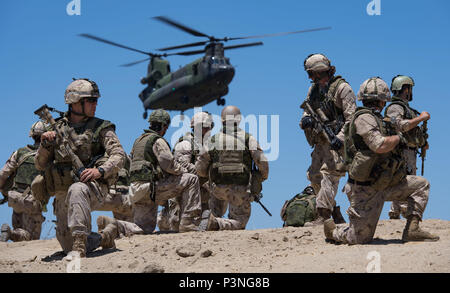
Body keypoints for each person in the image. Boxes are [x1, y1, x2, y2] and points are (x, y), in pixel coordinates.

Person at [324, 77, 439, 244]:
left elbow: (402, 125)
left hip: (387, 182)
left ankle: (412, 229)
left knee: (421, 185)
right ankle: (334, 231)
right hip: (366, 189)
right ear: (383, 100)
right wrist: (399, 139)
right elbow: (379, 145)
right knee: (358, 238)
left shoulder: (383, 120)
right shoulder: (363, 118)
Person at [35, 78, 126, 257]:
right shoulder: (58, 128)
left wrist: (99, 171)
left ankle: (79, 247)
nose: (96, 104)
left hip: (93, 187)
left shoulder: (101, 127)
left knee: (77, 189)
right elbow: (39, 164)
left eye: (96, 100)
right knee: (65, 243)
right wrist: (45, 144)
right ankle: (104, 237)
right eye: (91, 100)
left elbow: (119, 155)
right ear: (75, 102)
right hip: (63, 192)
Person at [125, 109, 205, 234]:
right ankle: (189, 224)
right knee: (191, 179)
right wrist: (183, 171)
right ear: (164, 126)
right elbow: (170, 165)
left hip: (136, 190)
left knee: (143, 229)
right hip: (151, 189)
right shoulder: (157, 140)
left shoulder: (138, 141)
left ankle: (115, 226)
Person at [299, 53, 357, 225]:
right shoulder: (314, 90)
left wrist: (340, 138)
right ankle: (335, 213)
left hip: (338, 142)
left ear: (328, 71)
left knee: (329, 175)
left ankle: (323, 215)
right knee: (314, 176)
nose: (316, 78)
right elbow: (308, 109)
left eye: (319, 74)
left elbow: (352, 119)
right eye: (312, 75)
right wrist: (305, 120)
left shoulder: (343, 88)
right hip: (320, 141)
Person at [195, 105, 269, 230]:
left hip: (217, 189)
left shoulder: (212, 140)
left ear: (222, 121)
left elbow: (200, 168)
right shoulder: (248, 139)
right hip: (240, 189)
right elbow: (262, 162)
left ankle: (212, 221)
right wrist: (261, 177)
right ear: (239, 120)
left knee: (214, 213)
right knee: (239, 223)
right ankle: (216, 223)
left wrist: (209, 176)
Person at [157, 111, 215, 232]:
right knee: (175, 226)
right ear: (197, 128)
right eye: (205, 128)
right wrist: (202, 172)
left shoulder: (206, 145)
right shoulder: (185, 144)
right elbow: (182, 167)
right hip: (181, 192)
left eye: (210, 127)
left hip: (198, 191)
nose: (209, 130)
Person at [385, 75, 428, 219]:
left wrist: (422, 142)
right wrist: (421, 118)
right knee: (406, 180)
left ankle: (397, 211)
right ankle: (399, 212)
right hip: (401, 151)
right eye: (409, 88)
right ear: (406, 89)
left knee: (405, 179)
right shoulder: (395, 107)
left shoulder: (404, 107)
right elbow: (400, 126)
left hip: (409, 150)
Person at [0, 121, 46, 242]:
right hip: (33, 201)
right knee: (31, 238)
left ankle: (10, 232)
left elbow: (3, 174)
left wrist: (3, 192)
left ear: (32, 135)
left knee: (19, 233)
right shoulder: (46, 156)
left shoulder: (19, 153)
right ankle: (9, 232)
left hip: (15, 198)